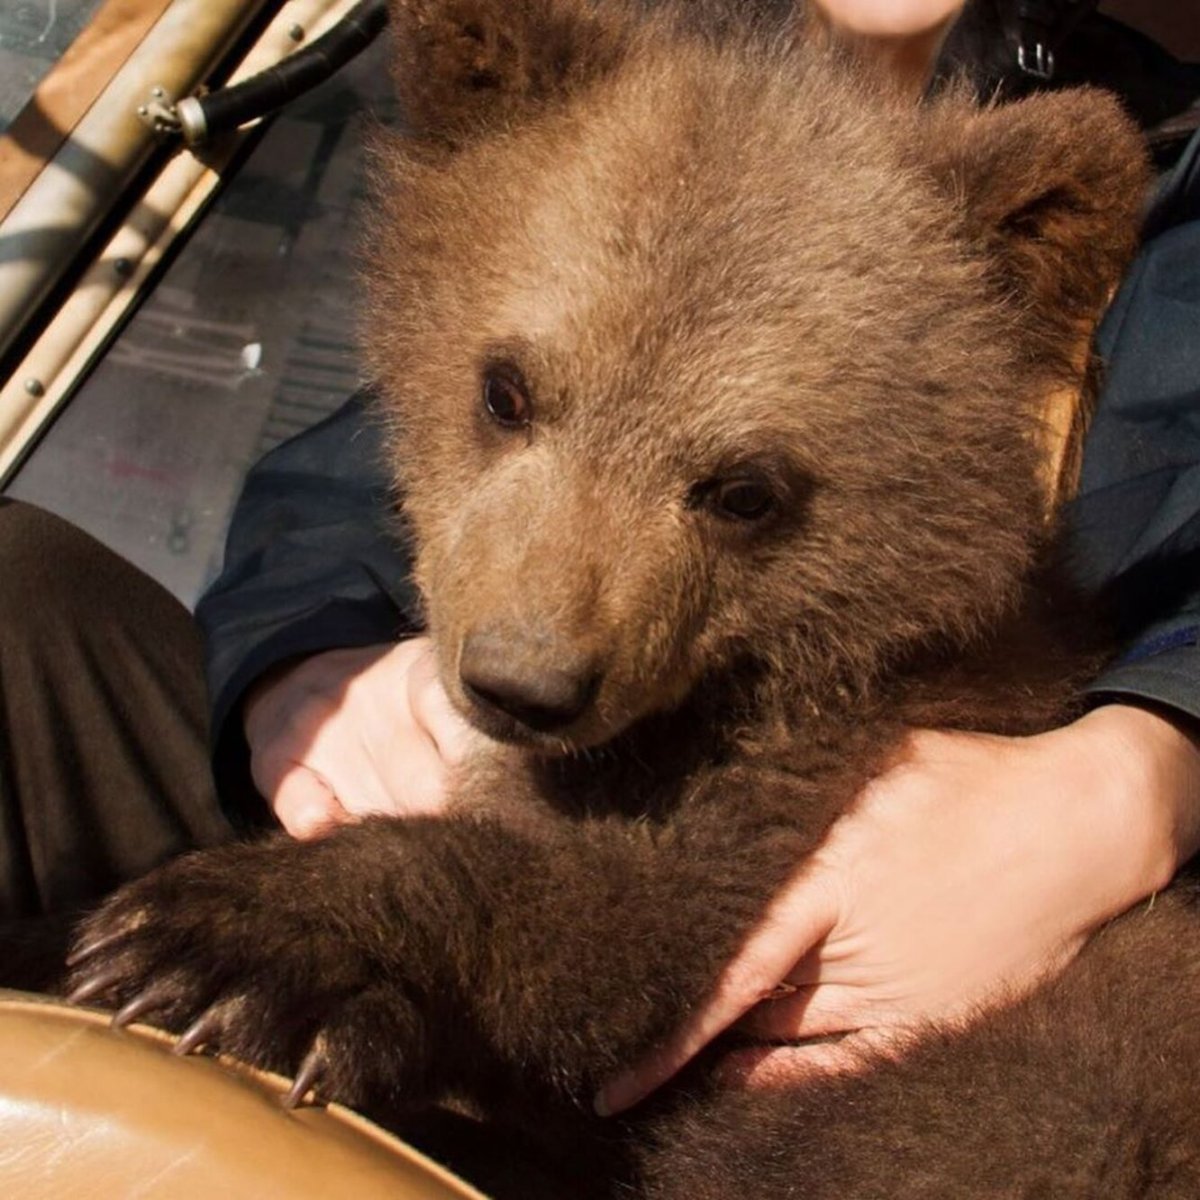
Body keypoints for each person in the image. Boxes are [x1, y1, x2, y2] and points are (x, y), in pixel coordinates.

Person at [0, 0, 1197, 1121]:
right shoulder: (649, 82)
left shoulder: (1097, 198)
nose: (535, 644)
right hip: (449, 829)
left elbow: (625, 932)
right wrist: (301, 662)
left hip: (810, 988)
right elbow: (354, 465)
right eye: (514, 400)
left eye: (737, 497)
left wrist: (1145, 764)